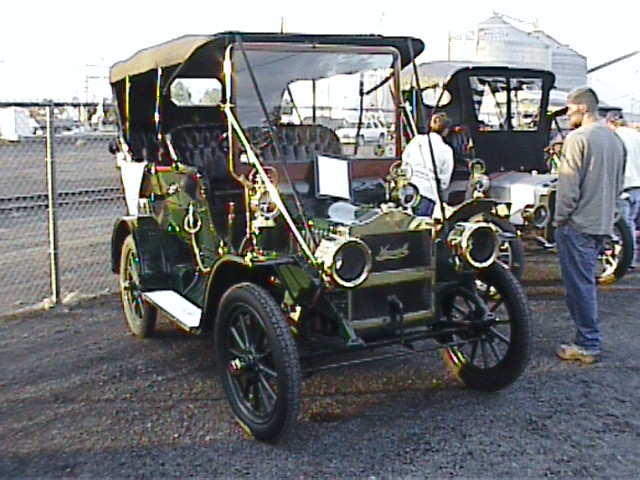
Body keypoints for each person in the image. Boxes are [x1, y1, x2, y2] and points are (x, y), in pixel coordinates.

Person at [555, 86, 626, 364]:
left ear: (583, 108)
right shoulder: (614, 138)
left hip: (578, 224)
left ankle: (587, 343)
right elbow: (618, 183)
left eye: (570, 109)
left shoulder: (578, 138)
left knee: (579, 287)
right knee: (585, 283)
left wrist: (560, 218)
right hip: (602, 222)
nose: (567, 115)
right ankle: (587, 339)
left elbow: (568, 186)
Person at [605, 111, 640, 271]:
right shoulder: (637, 135)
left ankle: (625, 260)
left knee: (622, 226)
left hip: (623, 186)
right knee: (631, 223)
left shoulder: (614, 138)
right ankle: (630, 259)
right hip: (638, 185)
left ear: (610, 123)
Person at [402, 112, 454, 216]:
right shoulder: (446, 150)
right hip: (429, 195)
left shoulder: (416, 141)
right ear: (446, 131)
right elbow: (444, 182)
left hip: (409, 191)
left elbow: (405, 162)